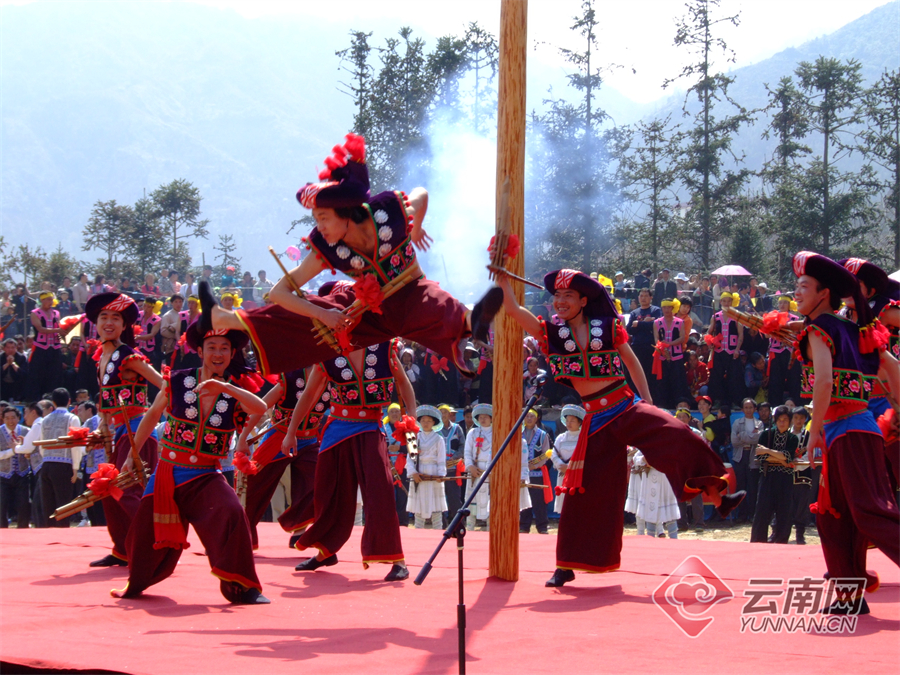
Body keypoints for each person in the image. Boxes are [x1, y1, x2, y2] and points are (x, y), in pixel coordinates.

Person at [495, 268, 742, 587]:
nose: (560, 302)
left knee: (678, 434)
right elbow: (514, 309)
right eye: (556, 296)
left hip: (625, 406)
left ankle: (720, 496)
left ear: (584, 300)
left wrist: (649, 401)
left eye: (568, 296)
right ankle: (566, 564)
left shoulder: (608, 327)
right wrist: (502, 275)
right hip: (595, 420)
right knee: (582, 492)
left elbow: (631, 361)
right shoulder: (551, 333)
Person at [197, 133, 504, 381]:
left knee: (434, 300)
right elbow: (279, 292)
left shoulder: (389, 212)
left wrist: (417, 227)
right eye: (316, 219)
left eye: (324, 218)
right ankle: (220, 317)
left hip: (410, 291)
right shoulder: (325, 246)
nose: (320, 227)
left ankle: (472, 320)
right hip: (369, 312)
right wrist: (323, 315)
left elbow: (421, 194)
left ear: (345, 212)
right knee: (315, 311)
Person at [112, 323, 270, 604]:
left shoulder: (233, 391)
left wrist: (224, 386)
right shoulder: (178, 380)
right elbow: (152, 415)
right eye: (212, 348)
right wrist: (130, 455)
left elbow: (260, 408)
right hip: (168, 473)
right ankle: (136, 584)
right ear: (199, 351)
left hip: (206, 475)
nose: (218, 353)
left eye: (224, 348)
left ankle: (243, 587)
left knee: (233, 514)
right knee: (144, 534)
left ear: (233, 354)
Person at [792, 251, 899, 614]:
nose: (797, 292)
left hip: (847, 431)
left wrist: (813, 429)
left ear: (824, 294)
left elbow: (823, 383)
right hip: (855, 430)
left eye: (804, 286)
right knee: (833, 515)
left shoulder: (820, 328)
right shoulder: (855, 330)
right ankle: (849, 597)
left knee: (870, 512)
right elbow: (894, 369)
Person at [288, 337, 414, 581]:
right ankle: (326, 551)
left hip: (370, 428)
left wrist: (411, 420)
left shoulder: (385, 348)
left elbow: (404, 385)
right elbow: (309, 395)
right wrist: (291, 432)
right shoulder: (329, 352)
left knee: (381, 491)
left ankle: (397, 560)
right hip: (337, 430)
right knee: (328, 492)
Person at [85, 292, 163, 567]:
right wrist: (102, 428)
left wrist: (152, 417)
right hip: (117, 434)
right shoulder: (101, 357)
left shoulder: (129, 356)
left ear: (125, 325)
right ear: (95, 322)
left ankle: (156, 546)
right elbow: (104, 399)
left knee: (126, 493)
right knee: (107, 491)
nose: (108, 322)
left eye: (115, 318)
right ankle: (122, 550)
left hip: (137, 434)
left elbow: (165, 387)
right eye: (103, 317)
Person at [236, 365, 328, 550]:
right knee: (253, 482)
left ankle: (299, 528)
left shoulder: (334, 380)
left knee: (319, 481)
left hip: (309, 438)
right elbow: (260, 407)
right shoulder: (291, 378)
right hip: (278, 437)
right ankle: (239, 534)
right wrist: (243, 438)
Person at [750, 405, 799, 543]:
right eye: (779, 420)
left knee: (784, 511)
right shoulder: (766, 435)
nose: (782, 422)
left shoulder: (792, 438)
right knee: (762, 510)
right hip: (768, 476)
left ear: (790, 421)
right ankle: (758, 541)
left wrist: (768, 451)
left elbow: (788, 456)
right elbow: (760, 457)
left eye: (785, 419)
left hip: (785, 478)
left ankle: (781, 540)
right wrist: (781, 459)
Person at [37, 388, 85, 527]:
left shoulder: (45, 419)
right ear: (69, 401)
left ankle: (49, 536)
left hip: (46, 464)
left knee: (48, 506)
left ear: (53, 402)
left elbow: (42, 445)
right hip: (63, 465)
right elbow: (76, 444)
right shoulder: (72, 418)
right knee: (64, 505)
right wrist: (75, 468)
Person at [407, 405, 447, 529]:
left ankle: (438, 531)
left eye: (429, 421)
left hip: (433, 474)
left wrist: (441, 475)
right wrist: (413, 472)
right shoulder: (414, 438)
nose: (426, 423)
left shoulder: (439, 439)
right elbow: (410, 458)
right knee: (418, 508)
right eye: (423, 420)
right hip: (419, 473)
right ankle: (418, 530)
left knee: (436, 508)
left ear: (433, 422)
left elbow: (441, 459)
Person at [27, 292, 71, 401]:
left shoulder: (56, 313)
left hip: (55, 348)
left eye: (52, 300)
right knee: (38, 374)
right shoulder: (35, 313)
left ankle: (53, 398)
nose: (50, 302)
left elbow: (59, 327)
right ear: (42, 300)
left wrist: (64, 331)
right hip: (41, 348)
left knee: (55, 374)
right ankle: (36, 399)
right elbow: (40, 329)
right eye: (48, 300)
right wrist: (58, 330)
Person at [707, 292, 744, 407]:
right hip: (719, 351)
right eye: (724, 301)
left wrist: (737, 349)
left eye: (729, 301)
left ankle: (735, 401)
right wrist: (711, 342)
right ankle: (717, 400)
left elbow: (741, 335)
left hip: (732, 352)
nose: (726, 303)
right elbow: (709, 332)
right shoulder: (715, 316)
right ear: (721, 302)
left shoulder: (737, 316)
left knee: (734, 377)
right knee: (716, 377)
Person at [653, 298, 690, 409]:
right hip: (663, 356)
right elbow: (656, 339)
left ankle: (678, 403)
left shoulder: (679, 322)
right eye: (664, 307)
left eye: (669, 307)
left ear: (673, 308)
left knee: (677, 380)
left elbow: (682, 338)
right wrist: (662, 347)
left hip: (677, 356)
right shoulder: (657, 322)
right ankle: (663, 403)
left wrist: (669, 344)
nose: (666, 309)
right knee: (663, 381)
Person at [730, 399, 763, 523]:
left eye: (751, 407)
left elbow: (759, 439)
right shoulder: (737, 422)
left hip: (753, 456)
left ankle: (753, 514)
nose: (748, 410)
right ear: (742, 409)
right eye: (746, 407)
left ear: (755, 409)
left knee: (753, 487)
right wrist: (750, 436)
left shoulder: (759, 424)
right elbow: (734, 441)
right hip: (740, 456)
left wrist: (742, 435)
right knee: (741, 486)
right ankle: (742, 515)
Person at [519, 408, 551, 534]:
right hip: (521, 474)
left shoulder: (543, 434)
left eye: (532, 416)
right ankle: (524, 526)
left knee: (539, 502)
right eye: (526, 416)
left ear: (537, 418)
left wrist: (534, 465)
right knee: (524, 500)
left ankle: (542, 527)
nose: (529, 419)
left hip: (536, 473)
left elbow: (546, 453)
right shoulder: (518, 433)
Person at [0, 406, 31, 528]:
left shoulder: (26, 431)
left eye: (13, 418)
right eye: (7, 418)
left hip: (22, 474)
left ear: (19, 418)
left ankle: (23, 530)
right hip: (3, 474)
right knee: (1, 506)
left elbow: (32, 452)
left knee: (23, 505)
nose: (10, 421)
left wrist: (26, 452)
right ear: (3, 419)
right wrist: (14, 451)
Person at [550, 404, 584, 515]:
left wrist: (569, 467)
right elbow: (553, 454)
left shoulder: (583, 438)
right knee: (563, 499)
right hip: (562, 474)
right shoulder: (561, 437)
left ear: (579, 422)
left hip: (577, 474)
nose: (569, 423)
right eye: (567, 420)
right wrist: (560, 464)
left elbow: (584, 455)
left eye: (572, 421)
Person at [437, 404, 466, 521]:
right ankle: (441, 523)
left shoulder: (457, 428)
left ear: (449, 414)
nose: (443, 415)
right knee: (439, 497)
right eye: (440, 412)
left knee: (454, 497)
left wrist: (455, 457)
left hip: (453, 467)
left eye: (445, 412)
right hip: (438, 468)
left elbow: (462, 445)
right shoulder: (434, 429)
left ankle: (458, 522)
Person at [1, 338, 28, 402]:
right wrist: (7, 364)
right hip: (3, 385)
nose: (10, 350)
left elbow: (24, 374)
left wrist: (13, 364)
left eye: (13, 347)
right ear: (4, 348)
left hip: (17, 385)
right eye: (8, 347)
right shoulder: (1, 357)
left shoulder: (21, 358)